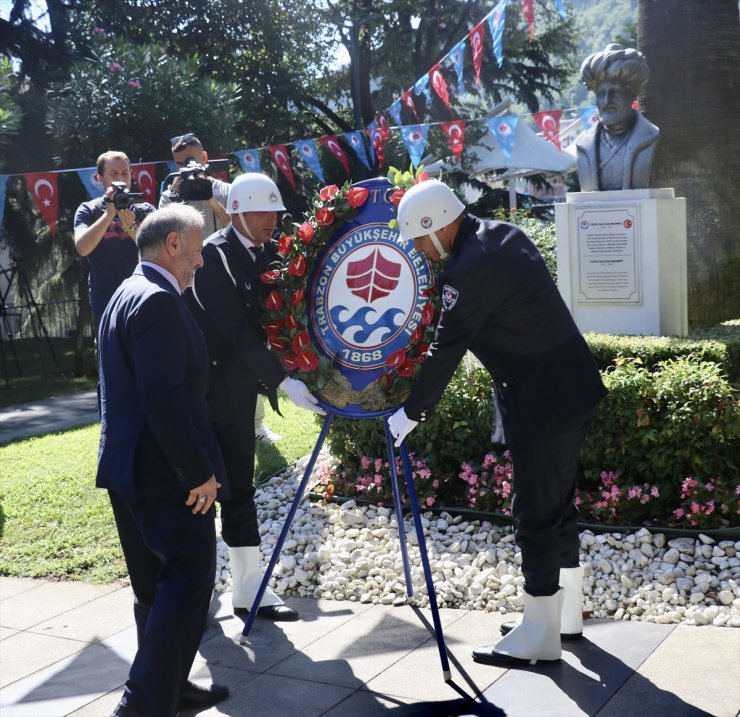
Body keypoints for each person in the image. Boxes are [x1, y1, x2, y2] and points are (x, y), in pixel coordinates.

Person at [388, 179, 607, 667]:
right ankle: (561, 616)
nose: (419, 250)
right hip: (568, 388)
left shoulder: (468, 270)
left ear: (438, 224)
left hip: (545, 401)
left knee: (534, 512)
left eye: (420, 239)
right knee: (556, 504)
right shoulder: (501, 234)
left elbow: (447, 349)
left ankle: (539, 634)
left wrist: (411, 412)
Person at [97, 204, 230, 717]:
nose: (200, 259)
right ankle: (141, 704)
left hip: (129, 468)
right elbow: (165, 398)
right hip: (166, 473)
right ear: (173, 244)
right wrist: (198, 471)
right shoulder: (155, 300)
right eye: (197, 248)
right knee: (191, 575)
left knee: (154, 587)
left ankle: (169, 688)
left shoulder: (124, 293)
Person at [186, 172, 325, 621]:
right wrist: (284, 382)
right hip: (204, 388)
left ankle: (248, 589)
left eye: (276, 211)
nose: (273, 220)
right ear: (240, 211)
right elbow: (236, 332)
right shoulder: (213, 256)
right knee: (201, 488)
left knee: (240, 485)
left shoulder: (272, 252)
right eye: (264, 212)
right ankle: (195, 588)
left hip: (240, 387)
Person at [74, 151, 155, 334]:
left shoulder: (145, 209)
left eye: (125, 174)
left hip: (143, 299)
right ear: (99, 178)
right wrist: (109, 214)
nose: (120, 179)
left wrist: (132, 229)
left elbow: (157, 251)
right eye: (113, 174)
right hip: (106, 303)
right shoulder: (88, 210)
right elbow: (82, 248)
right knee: (109, 361)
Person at [575, 43, 659, 191]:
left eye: (616, 91)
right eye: (601, 94)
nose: (606, 101)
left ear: (632, 94)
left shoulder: (649, 137)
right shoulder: (584, 146)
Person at [159, 132, 231, 235]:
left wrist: (214, 203)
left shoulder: (227, 191)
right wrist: (175, 201)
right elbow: (162, 238)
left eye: (189, 162)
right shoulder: (168, 196)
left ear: (204, 158)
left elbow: (238, 232)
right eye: (179, 164)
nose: (185, 168)